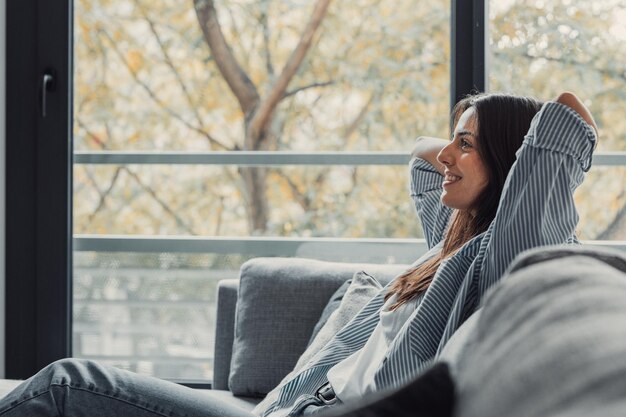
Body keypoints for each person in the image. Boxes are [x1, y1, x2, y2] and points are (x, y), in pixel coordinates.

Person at [0, 91, 598, 417]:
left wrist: (503, 138)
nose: (444, 155)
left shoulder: (503, 262)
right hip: (292, 409)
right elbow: (423, 161)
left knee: (64, 386)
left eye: (464, 146)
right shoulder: (452, 248)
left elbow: (566, 117)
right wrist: (470, 134)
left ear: (514, 166)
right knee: (68, 386)